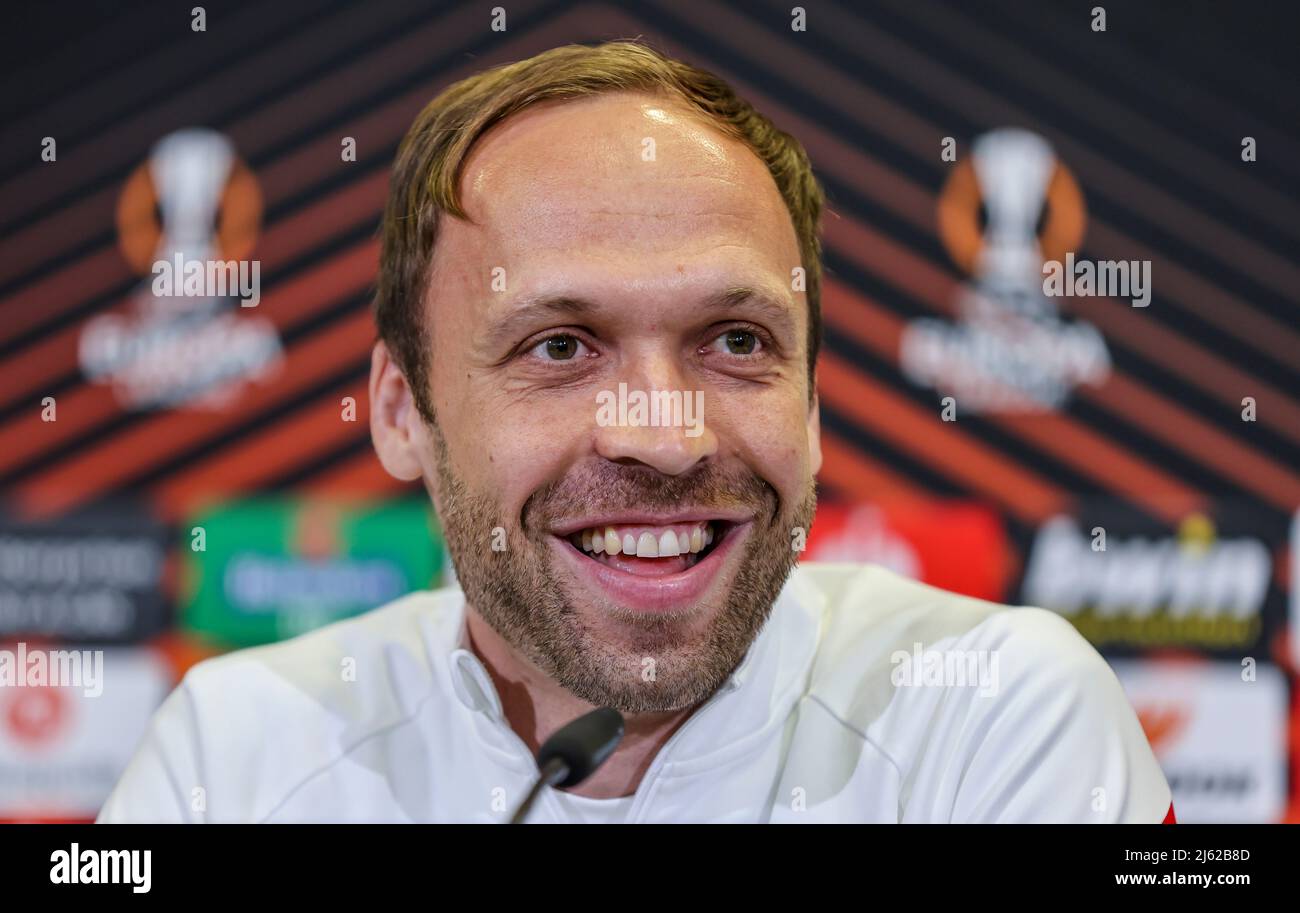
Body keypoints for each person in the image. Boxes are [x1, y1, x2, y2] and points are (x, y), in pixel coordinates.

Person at [98, 40, 1172, 824]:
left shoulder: (1000, 717)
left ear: (809, 406)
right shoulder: (235, 755)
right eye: (560, 347)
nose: (663, 437)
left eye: (735, 341)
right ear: (400, 413)